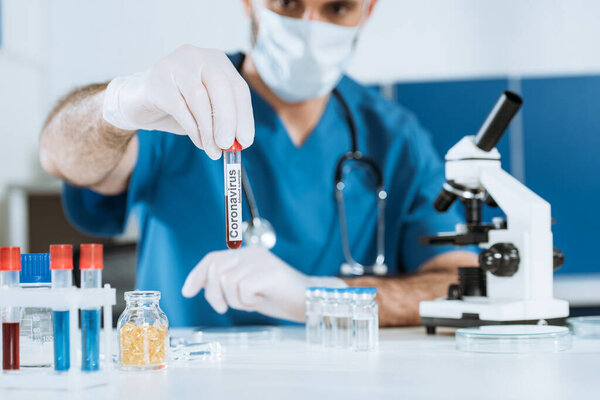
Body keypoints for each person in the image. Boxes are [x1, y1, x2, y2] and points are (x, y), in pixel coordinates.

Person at [39, 0, 478, 327]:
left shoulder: (394, 136)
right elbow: (60, 157)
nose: (310, 26)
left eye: (338, 7)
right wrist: (118, 104)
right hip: (183, 383)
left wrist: (321, 298)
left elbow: (459, 284)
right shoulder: (181, 103)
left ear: (367, 11)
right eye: (288, 3)